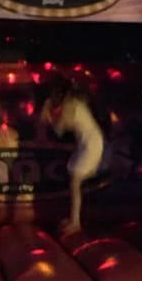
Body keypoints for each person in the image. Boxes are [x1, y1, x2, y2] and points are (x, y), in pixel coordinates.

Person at [41, 75, 104, 234]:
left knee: (75, 182)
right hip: (86, 143)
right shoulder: (73, 102)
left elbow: (59, 130)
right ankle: (74, 218)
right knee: (74, 180)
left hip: (91, 144)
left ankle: (76, 222)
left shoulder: (70, 106)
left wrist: (48, 113)